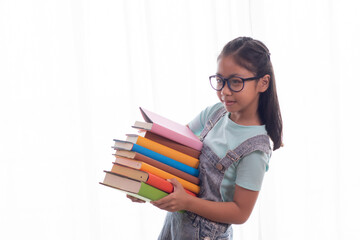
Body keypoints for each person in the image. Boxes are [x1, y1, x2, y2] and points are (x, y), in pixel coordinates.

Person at [128, 36, 283, 240]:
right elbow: (175, 151)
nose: (224, 91)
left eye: (236, 82)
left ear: (263, 83)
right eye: (220, 81)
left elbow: (240, 212)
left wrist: (187, 203)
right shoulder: (214, 113)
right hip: (176, 224)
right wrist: (146, 187)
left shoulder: (255, 149)